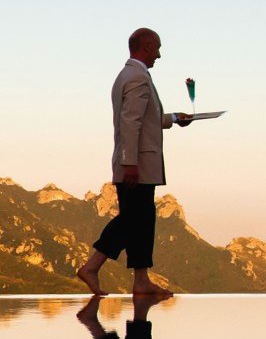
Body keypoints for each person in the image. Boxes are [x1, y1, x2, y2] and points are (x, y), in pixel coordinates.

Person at [76, 28, 193, 299]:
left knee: (140, 219)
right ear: (148, 46)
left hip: (133, 163)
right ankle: (93, 267)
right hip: (137, 165)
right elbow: (131, 122)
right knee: (133, 219)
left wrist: (175, 118)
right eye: (158, 48)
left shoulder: (127, 75)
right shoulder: (138, 77)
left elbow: (146, 117)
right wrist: (130, 163)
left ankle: (140, 280)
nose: (160, 55)